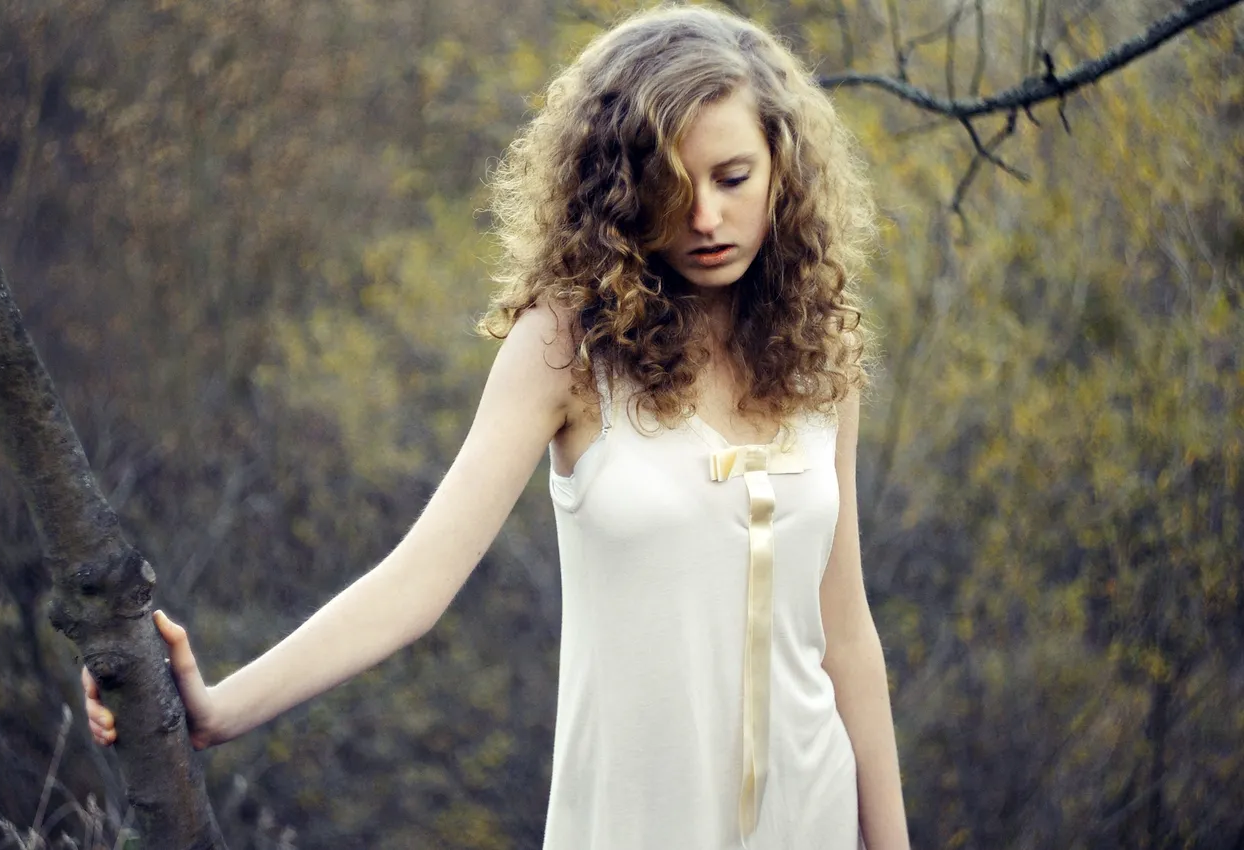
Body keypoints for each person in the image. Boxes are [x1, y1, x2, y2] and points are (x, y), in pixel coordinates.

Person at [83, 5, 910, 848]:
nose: (704, 217)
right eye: (670, 185)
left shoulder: (818, 352)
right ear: (621, 192)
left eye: (733, 178)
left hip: (814, 813)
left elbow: (845, 635)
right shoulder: (566, 348)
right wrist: (219, 709)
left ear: (781, 170)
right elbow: (416, 584)